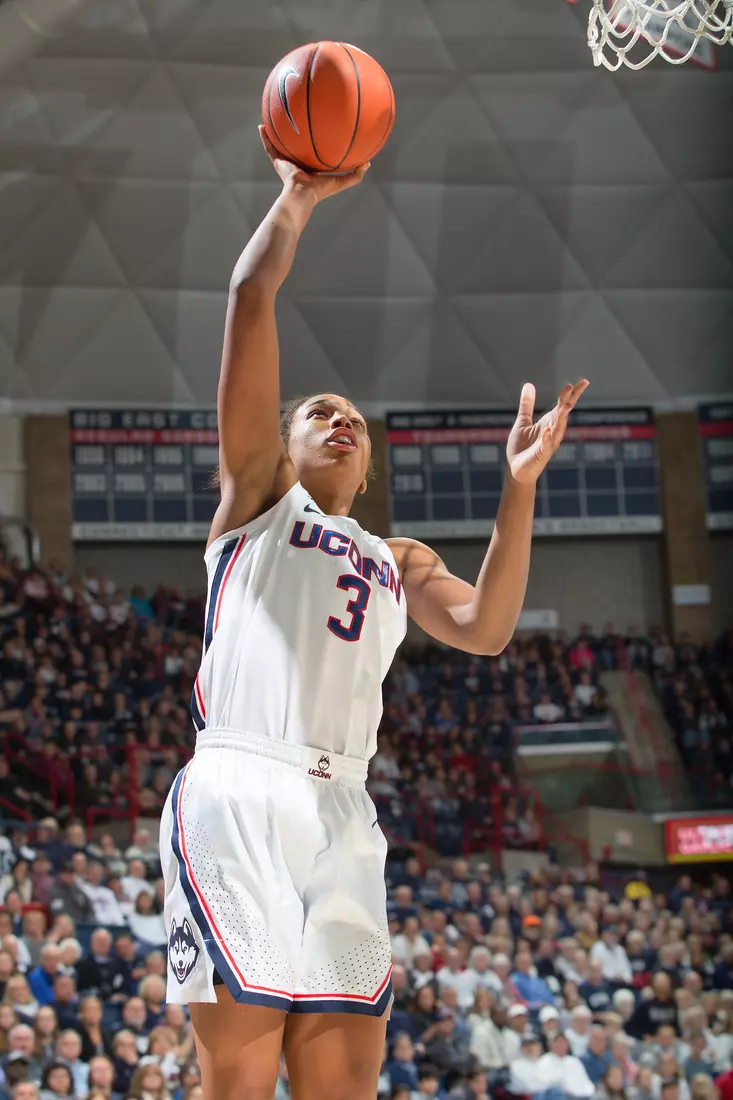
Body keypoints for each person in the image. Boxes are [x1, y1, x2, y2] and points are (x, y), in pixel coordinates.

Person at [158, 123, 588, 1100]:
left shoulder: (396, 557)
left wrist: (517, 488)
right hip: (240, 790)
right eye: (317, 411)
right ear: (282, 441)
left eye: (352, 416)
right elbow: (248, 297)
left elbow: (484, 625)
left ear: (370, 461)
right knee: (237, 1064)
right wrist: (298, 199)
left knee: (347, 1070)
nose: (339, 419)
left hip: (342, 807)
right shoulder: (259, 496)